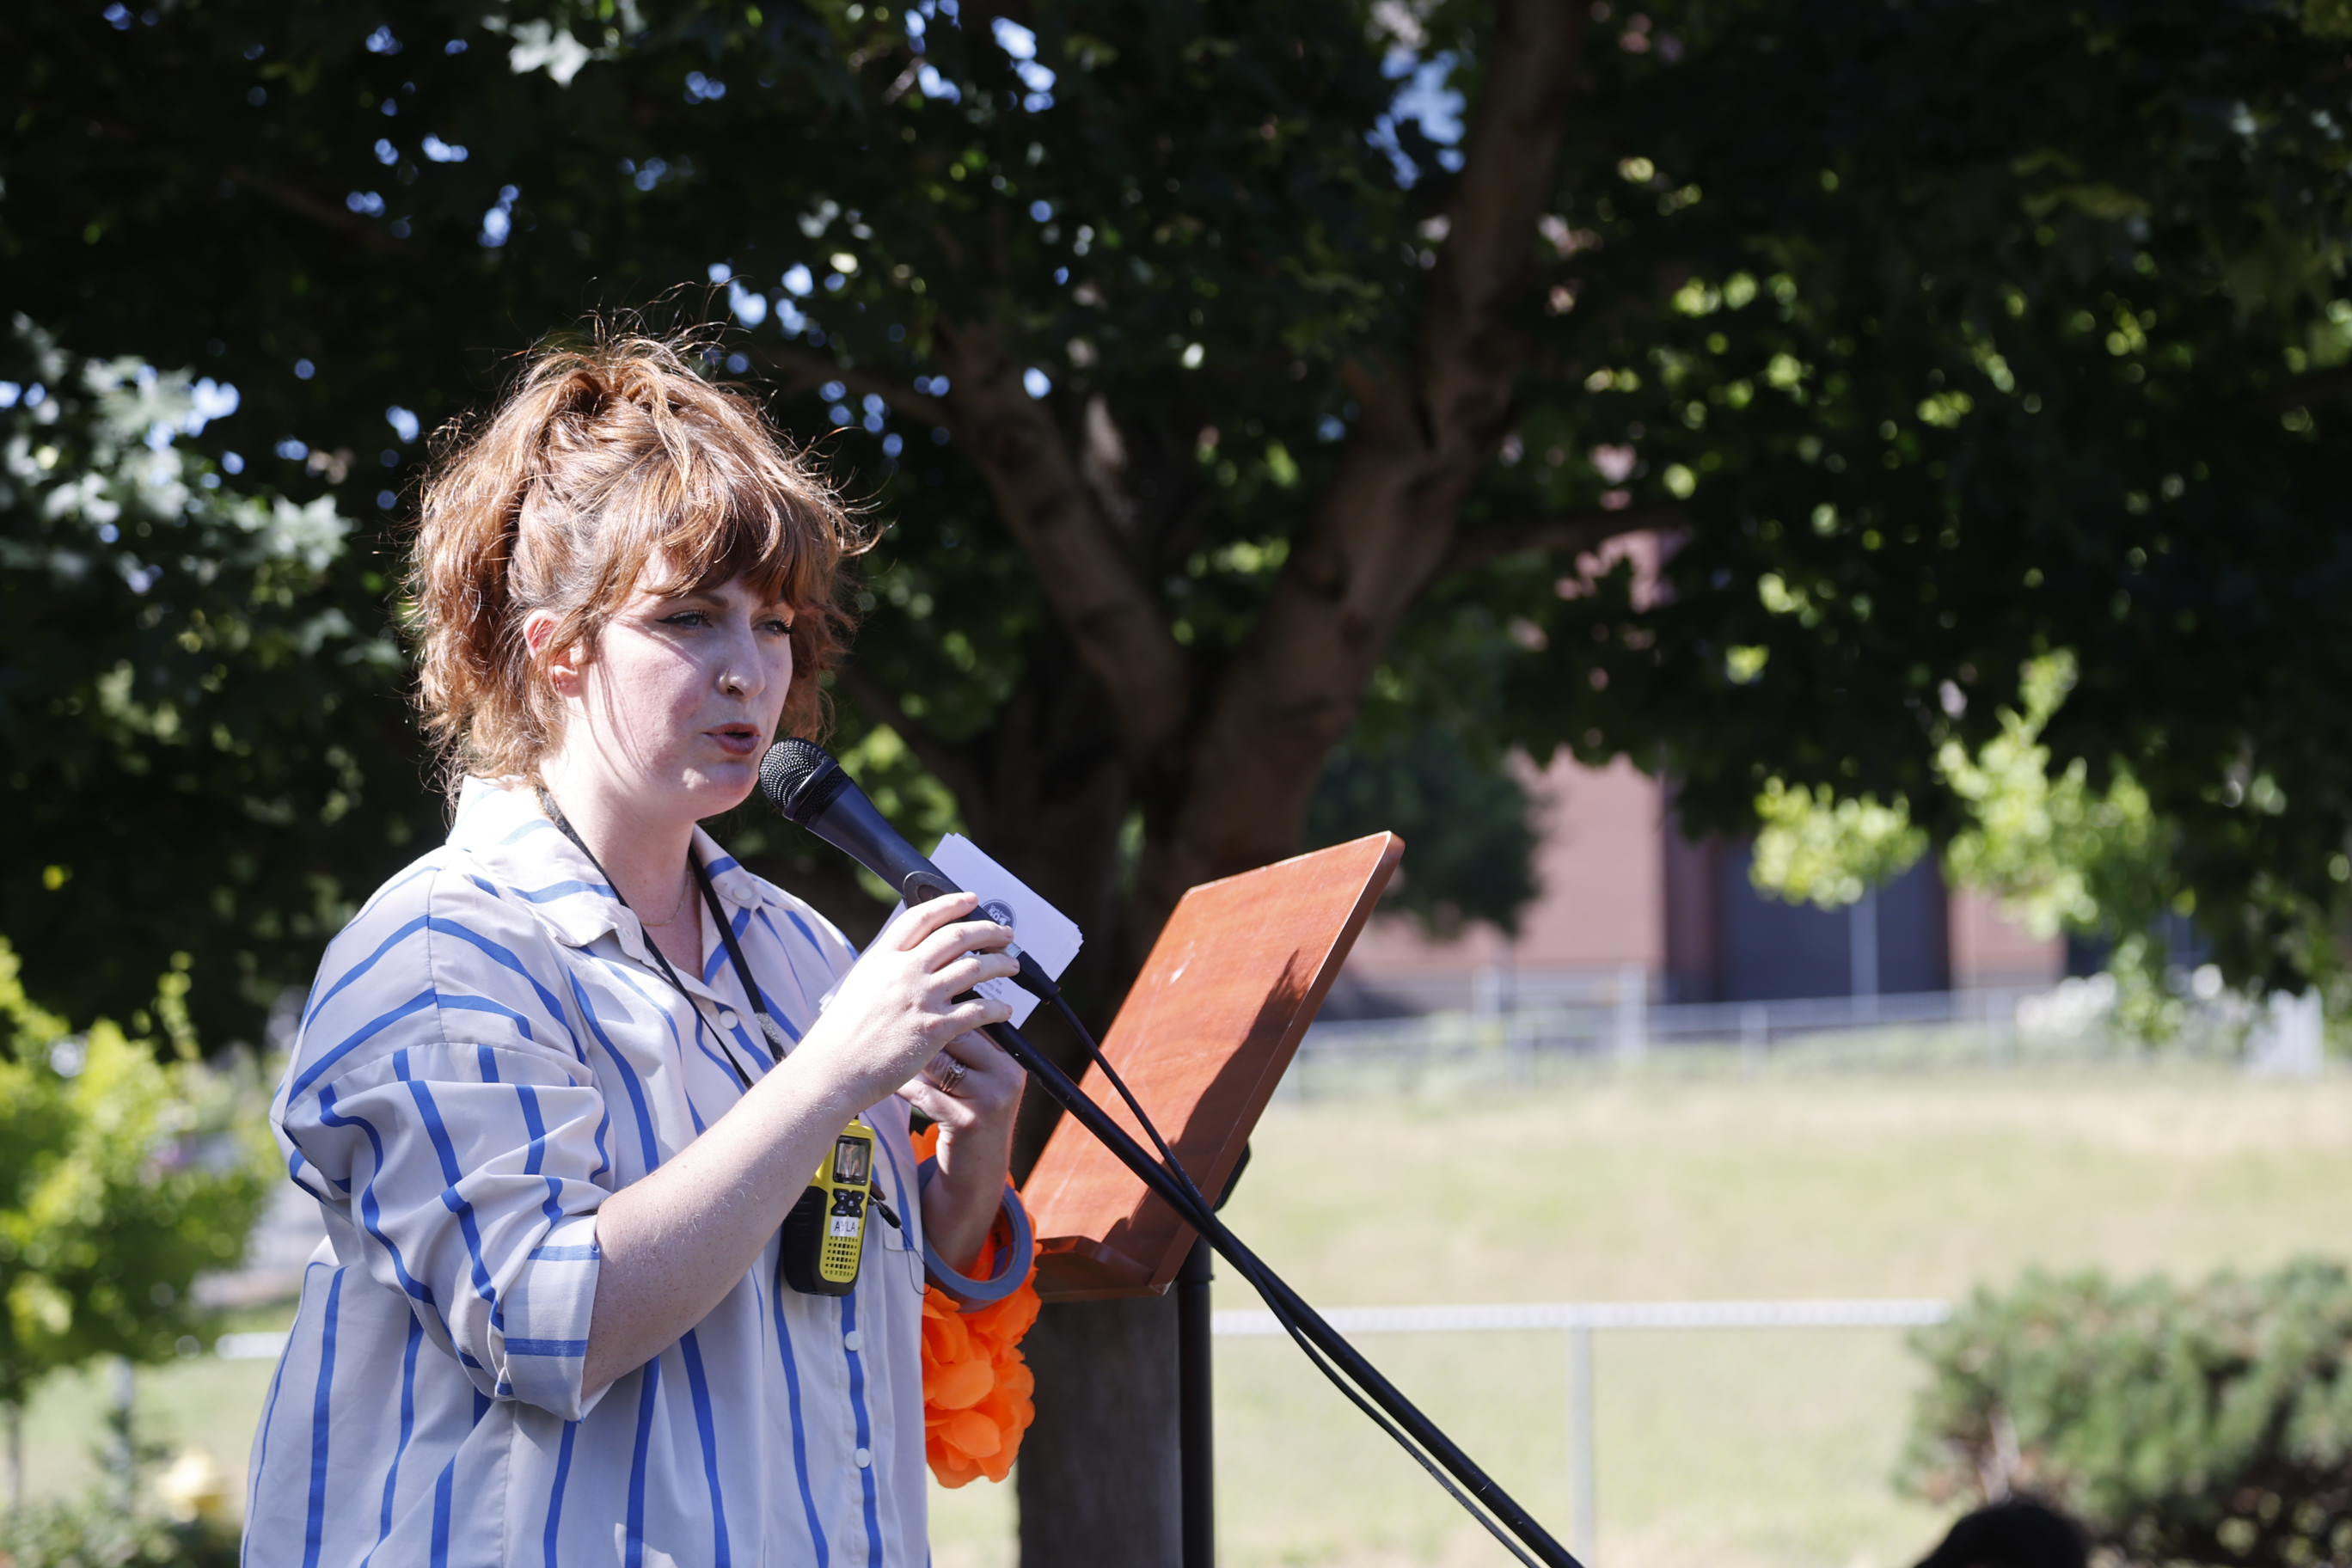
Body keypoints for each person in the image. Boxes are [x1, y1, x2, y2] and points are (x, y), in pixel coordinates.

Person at [243, 334, 1031, 1566]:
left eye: (774, 624)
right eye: (688, 620)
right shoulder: (442, 949)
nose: (747, 672)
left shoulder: (802, 950)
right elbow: (545, 1324)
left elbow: (827, 1281)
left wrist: (969, 1165)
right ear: (558, 650)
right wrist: (833, 1072)